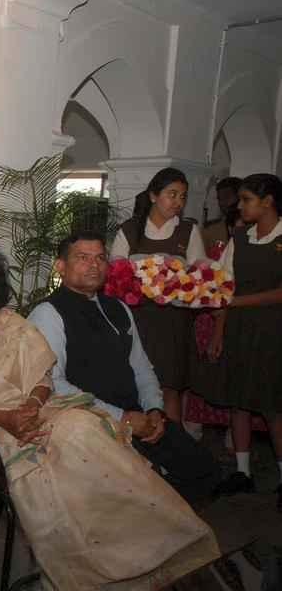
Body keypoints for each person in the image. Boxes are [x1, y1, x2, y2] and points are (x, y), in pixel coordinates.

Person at [0, 235, 219, 591]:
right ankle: (101, 579)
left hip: (35, 413)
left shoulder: (8, 321)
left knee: (88, 431)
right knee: (70, 457)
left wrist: (31, 404)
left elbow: (46, 377)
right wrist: (6, 419)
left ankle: (167, 556)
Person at [29, 232, 220, 505]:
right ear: (60, 266)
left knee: (207, 472)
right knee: (147, 491)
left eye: (100, 258)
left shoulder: (118, 307)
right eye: (82, 258)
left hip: (140, 415)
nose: (94, 265)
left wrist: (154, 409)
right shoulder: (48, 313)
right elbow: (54, 383)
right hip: (91, 424)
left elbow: (141, 366)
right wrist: (122, 418)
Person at [206, 174, 282, 509]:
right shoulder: (239, 237)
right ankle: (242, 472)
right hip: (238, 328)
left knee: (273, 406)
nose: (240, 206)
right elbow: (226, 286)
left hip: (273, 330)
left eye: (247, 199)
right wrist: (218, 332)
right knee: (238, 401)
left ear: (268, 202)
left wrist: (238, 302)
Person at [110, 169, 206, 422]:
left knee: (169, 388)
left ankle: (172, 443)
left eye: (183, 197)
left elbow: (200, 278)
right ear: (153, 195)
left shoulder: (188, 231)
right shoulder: (130, 230)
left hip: (172, 322)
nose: (178, 202)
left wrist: (179, 285)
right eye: (172, 194)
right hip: (135, 320)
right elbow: (115, 276)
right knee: (133, 384)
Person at [203, 177, 242, 255]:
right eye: (219, 198)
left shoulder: (256, 229)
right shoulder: (210, 230)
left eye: (227, 197)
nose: (222, 203)